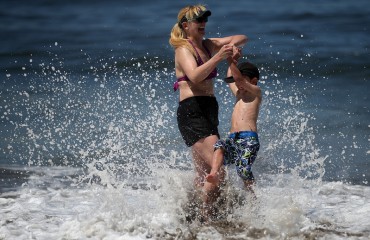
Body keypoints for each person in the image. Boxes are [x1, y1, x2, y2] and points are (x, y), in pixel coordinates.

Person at [169, 5, 247, 190]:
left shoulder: (208, 44)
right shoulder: (183, 49)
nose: (204, 23)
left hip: (209, 108)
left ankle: (192, 214)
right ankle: (208, 216)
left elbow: (243, 38)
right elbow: (194, 76)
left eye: (205, 19)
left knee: (205, 173)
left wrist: (232, 47)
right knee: (218, 171)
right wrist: (219, 57)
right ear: (186, 25)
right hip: (192, 110)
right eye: (199, 20)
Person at [203, 56, 262, 213]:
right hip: (232, 139)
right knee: (219, 145)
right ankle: (214, 173)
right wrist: (233, 59)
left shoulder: (255, 93)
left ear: (254, 81)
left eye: (241, 80)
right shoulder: (238, 93)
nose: (238, 83)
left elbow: (238, 80)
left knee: (242, 169)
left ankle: (253, 197)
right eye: (237, 81)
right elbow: (232, 79)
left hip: (248, 139)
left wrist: (230, 61)